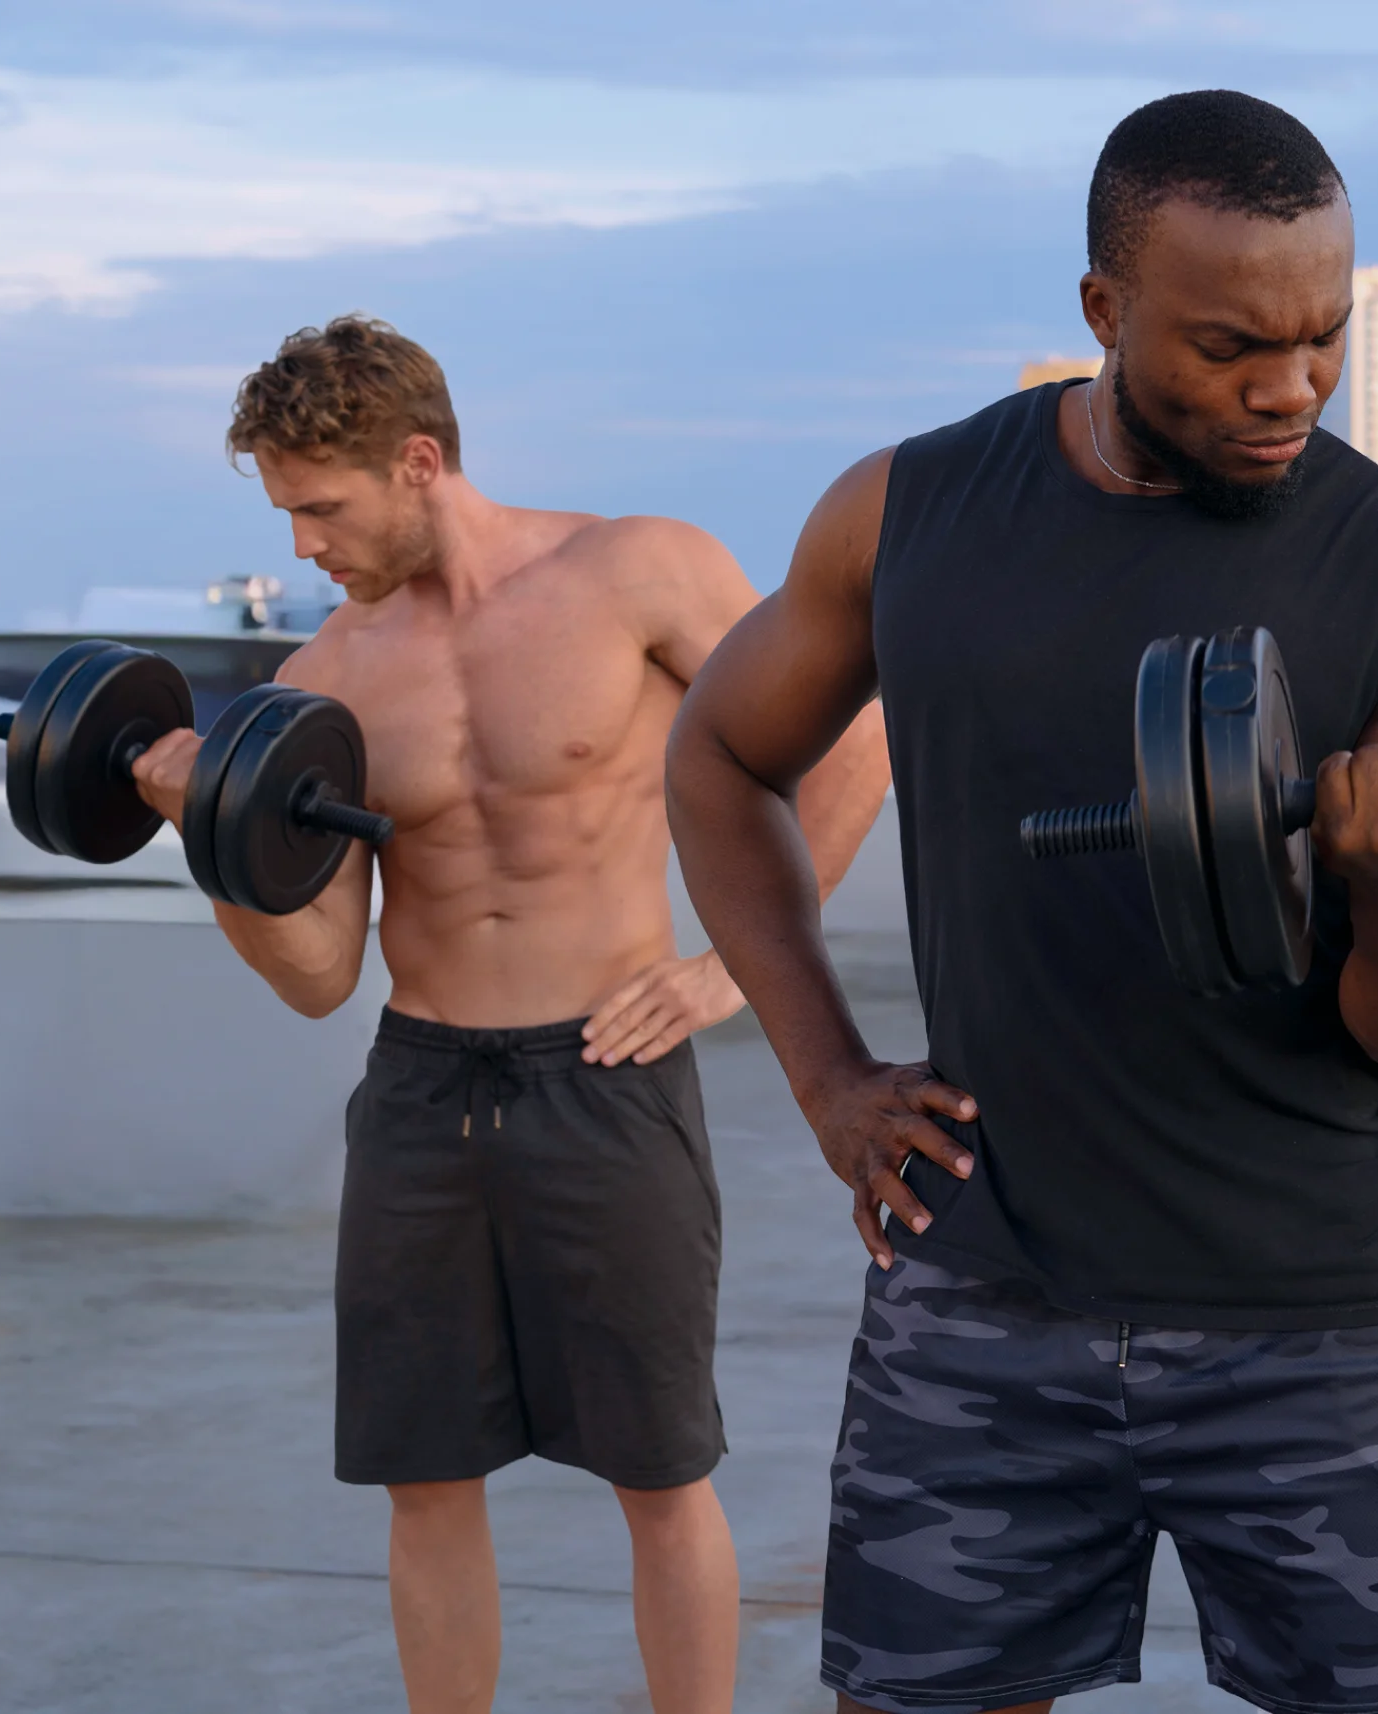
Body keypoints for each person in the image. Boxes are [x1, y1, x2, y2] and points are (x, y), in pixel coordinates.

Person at [666, 92, 1378, 1714]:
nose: (1289, 388)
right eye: (1228, 348)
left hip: (1319, 1320)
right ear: (1103, 309)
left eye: (1325, 336)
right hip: (983, 1295)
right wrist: (827, 1075)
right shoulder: (909, 514)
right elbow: (718, 754)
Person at [128, 316, 891, 1714]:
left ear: (419, 461)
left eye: (321, 506)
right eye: (285, 511)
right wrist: (211, 832)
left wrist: (732, 966)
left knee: (663, 1473)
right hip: (422, 1092)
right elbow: (316, 972)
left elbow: (852, 736)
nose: (304, 546)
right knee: (424, 1482)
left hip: (607, 1079)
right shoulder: (325, 685)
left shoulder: (637, 572)